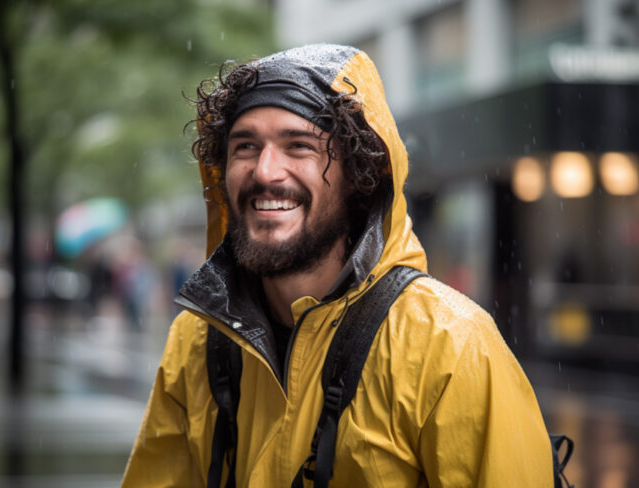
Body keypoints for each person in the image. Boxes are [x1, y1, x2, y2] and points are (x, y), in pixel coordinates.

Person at [122, 44, 552, 487]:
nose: (265, 171)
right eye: (246, 146)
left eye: (299, 146)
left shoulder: (449, 345)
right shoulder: (196, 342)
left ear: (359, 176)